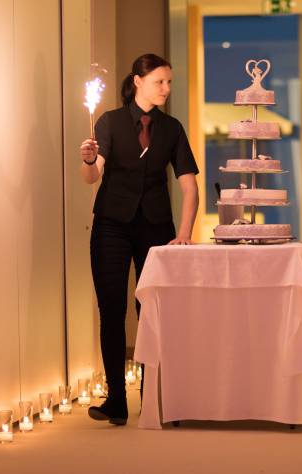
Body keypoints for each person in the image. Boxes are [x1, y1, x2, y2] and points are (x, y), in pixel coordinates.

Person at [80, 53, 199, 425]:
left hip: (156, 229)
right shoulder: (110, 122)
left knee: (151, 312)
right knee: (111, 311)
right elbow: (92, 176)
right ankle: (116, 398)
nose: (166, 88)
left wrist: (183, 233)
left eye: (168, 82)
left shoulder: (172, 128)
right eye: (159, 82)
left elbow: (189, 185)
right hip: (112, 225)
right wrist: (88, 160)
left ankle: (153, 398)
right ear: (138, 81)